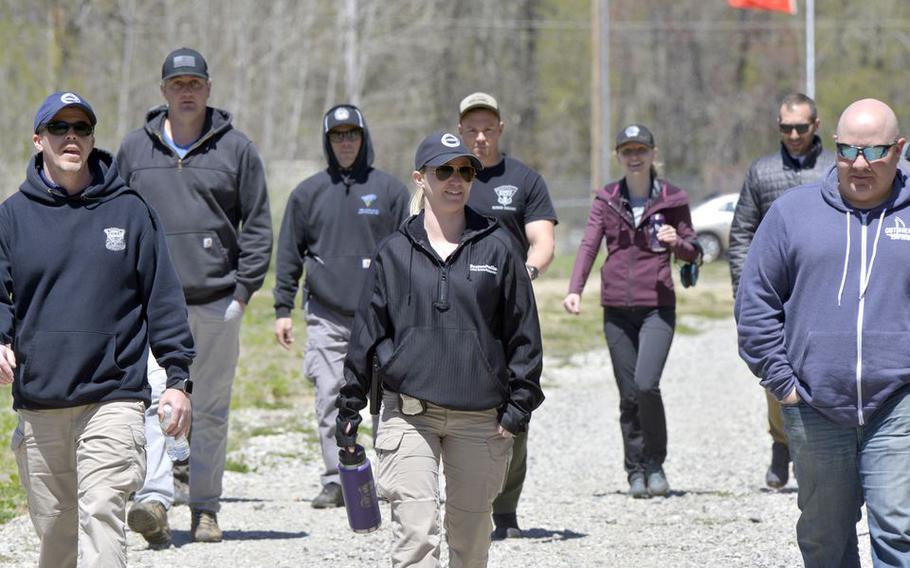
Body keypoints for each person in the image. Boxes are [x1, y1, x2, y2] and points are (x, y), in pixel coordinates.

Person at [0, 91, 195, 567]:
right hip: (42, 399)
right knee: (55, 531)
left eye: (81, 128)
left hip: (114, 396)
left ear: (91, 138)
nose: (72, 137)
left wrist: (177, 379)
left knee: (102, 509)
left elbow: (163, 299)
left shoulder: (129, 211)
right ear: (38, 139)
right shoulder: (12, 217)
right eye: (60, 128)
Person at [336, 131, 544, 567]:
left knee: (470, 544)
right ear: (420, 178)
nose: (456, 180)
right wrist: (350, 409)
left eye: (465, 171)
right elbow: (366, 334)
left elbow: (524, 333)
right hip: (409, 414)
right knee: (414, 536)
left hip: (481, 418)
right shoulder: (393, 252)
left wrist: (518, 407)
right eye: (444, 170)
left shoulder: (499, 248)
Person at [736, 99, 910, 567]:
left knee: (900, 528)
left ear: (899, 149)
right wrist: (782, 383)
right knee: (824, 538)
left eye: (873, 152)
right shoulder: (793, 213)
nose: (859, 163)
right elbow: (756, 303)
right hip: (813, 403)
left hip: (898, 405)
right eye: (848, 149)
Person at [116, 47, 273, 544]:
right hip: (149, 304)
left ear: (208, 89)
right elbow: (112, 218)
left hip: (216, 302)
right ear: (163, 91)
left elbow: (259, 225)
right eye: (177, 84)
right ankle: (156, 503)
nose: (187, 91)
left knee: (209, 409)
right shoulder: (133, 151)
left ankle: (204, 507)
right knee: (156, 404)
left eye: (195, 84)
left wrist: (243, 293)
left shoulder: (237, 150)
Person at [273, 104, 409, 508]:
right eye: (337, 136)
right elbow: (289, 254)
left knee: (386, 398)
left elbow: (407, 252)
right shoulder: (308, 193)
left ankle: (388, 477)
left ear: (364, 139)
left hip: (381, 316)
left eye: (352, 135)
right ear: (327, 142)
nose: (345, 142)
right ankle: (337, 478)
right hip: (326, 315)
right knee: (330, 394)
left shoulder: (390, 191)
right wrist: (283, 307)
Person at [563, 124, 699, 498]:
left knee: (646, 384)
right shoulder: (607, 199)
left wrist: (679, 244)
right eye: (627, 151)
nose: (634, 157)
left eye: (641, 150)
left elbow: (694, 247)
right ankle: (635, 470)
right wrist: (575, 289)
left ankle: (656, 463)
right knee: (628, 395)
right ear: (619, 157)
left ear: (654, 154)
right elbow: (590, 245)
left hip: (657, 307)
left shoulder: (672, 197)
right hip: (617, 312)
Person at [457, 91, 557, 540]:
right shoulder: (449, 173)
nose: (480, 137)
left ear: (500, 129)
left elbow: (542, 240)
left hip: (511, 311)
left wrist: (526, 272)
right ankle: (462, 497)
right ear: (461, 131)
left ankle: (507, 508)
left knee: (517, 402)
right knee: (454, 402)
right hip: (456, 309)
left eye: (488, 128)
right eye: (472, 129)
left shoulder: (524, 179)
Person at [728, 92, 835, 489]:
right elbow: (741, 236)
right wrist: (745, 293)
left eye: (800, 127)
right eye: (785, 127)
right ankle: (781, 442)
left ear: (816, 126)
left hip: (821, 290)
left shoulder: (834, 168)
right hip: (776, 294)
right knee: (775, 371)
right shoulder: (761, 172)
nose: (793, 134)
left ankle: (822, 449)